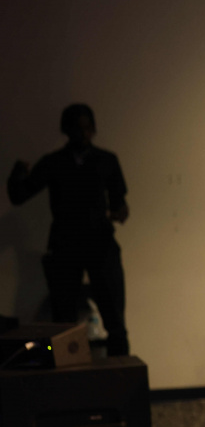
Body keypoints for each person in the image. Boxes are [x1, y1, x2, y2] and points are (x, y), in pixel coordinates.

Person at [8, 104, 131, 356]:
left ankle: (120, 371)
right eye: (78, 128)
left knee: (114, 320)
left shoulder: (104, 160)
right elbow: (20, 195)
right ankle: (70, 371)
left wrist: (120, 212)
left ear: (93, 129)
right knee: (63, 326)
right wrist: (16, 175)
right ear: (67, 130)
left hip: (97, 243)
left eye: (87, 128)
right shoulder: (56, 162)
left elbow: (119, 203)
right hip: (68, 245)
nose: (83, 134)